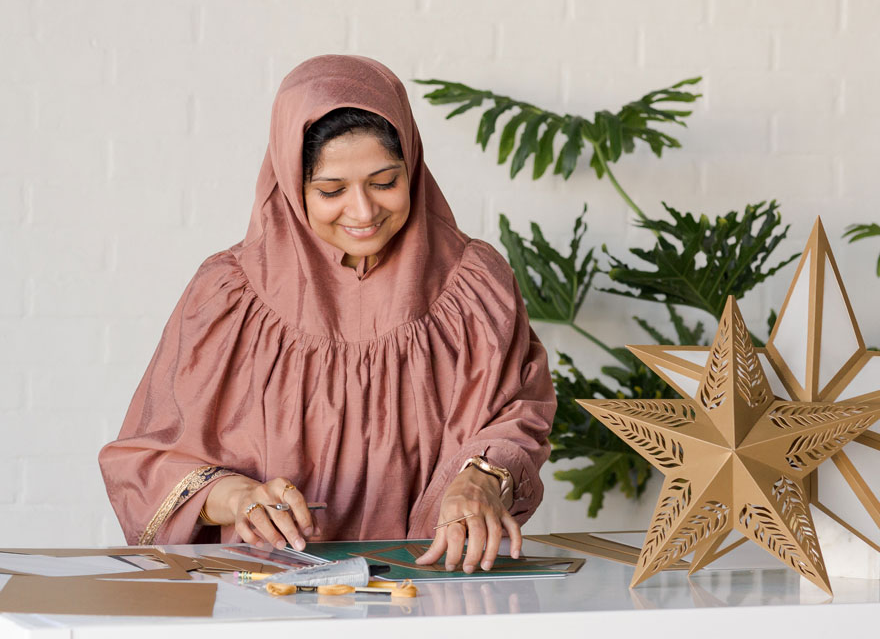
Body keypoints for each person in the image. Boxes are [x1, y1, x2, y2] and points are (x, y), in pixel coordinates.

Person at [98, 55, 556, 573]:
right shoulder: (225, 296)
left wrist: (480, 477)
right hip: (267, 598)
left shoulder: (474, 285)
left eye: (385, 182)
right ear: (293, 186)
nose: (363, 213)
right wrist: (237, 499)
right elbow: (145, 458)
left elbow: (519, 411)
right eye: (331, 191)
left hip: (434, 590)